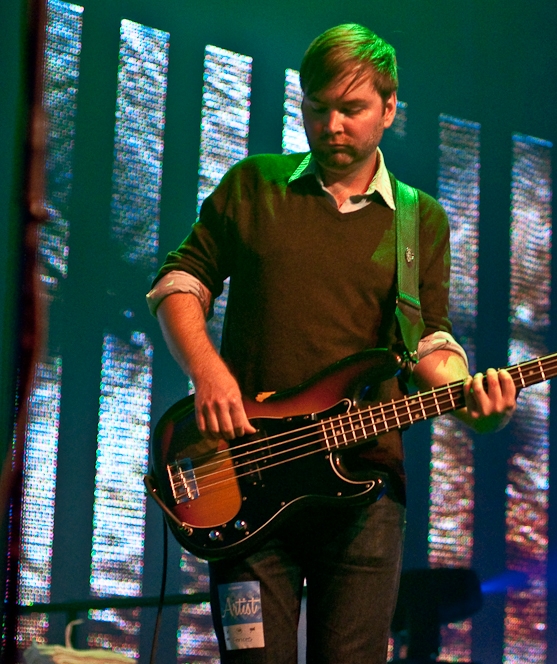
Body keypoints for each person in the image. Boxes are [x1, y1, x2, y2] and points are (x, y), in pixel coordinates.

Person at [146, 23, 516, 663]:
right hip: (245, 477)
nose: (333, 126)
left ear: (390, 109)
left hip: (365, 487)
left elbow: (426, 336)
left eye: (352, 109)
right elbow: (178, 283)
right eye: (318, 109)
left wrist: (466, 393)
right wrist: (207, 370)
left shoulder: (418, 218)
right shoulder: (255, 185)